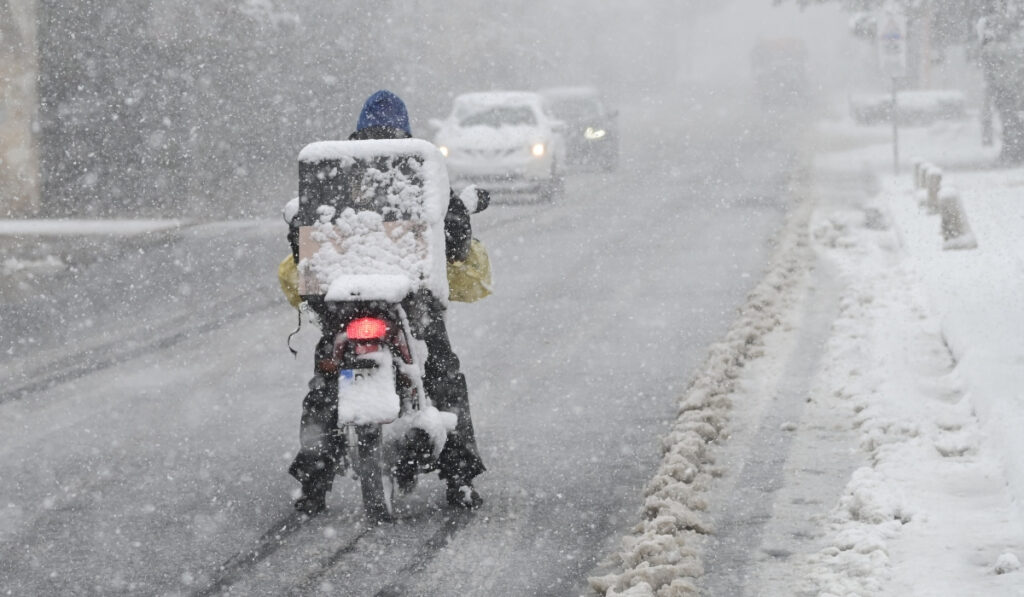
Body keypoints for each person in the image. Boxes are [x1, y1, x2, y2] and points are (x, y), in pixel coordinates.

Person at [286, 90, 486, 515]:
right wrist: (461, 213)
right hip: (408, 305)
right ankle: (461, 478)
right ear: (406, 130)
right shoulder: (416, 171)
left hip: (345, 306)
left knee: (325, 384)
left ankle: (313, 484)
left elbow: (305, 243)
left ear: (358, 129)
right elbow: (454, 242)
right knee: (442, 374)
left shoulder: (333, 174)